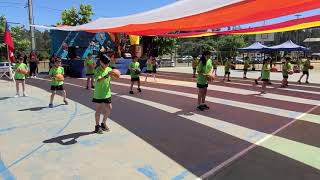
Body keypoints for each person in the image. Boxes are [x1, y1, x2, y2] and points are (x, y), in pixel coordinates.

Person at [92, 53, 113, 134]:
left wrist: (115, 75)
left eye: (108, 63)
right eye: (106, 63)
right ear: (101, 62)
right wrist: (107, 76)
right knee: (99, 110)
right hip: (99, 93)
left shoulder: (109, 69)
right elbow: (98, 80)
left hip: (107, 93)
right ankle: (97, 126)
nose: (107, 65)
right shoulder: (97, 70)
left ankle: (103, 123)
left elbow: (112, 78)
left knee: (109, 108)